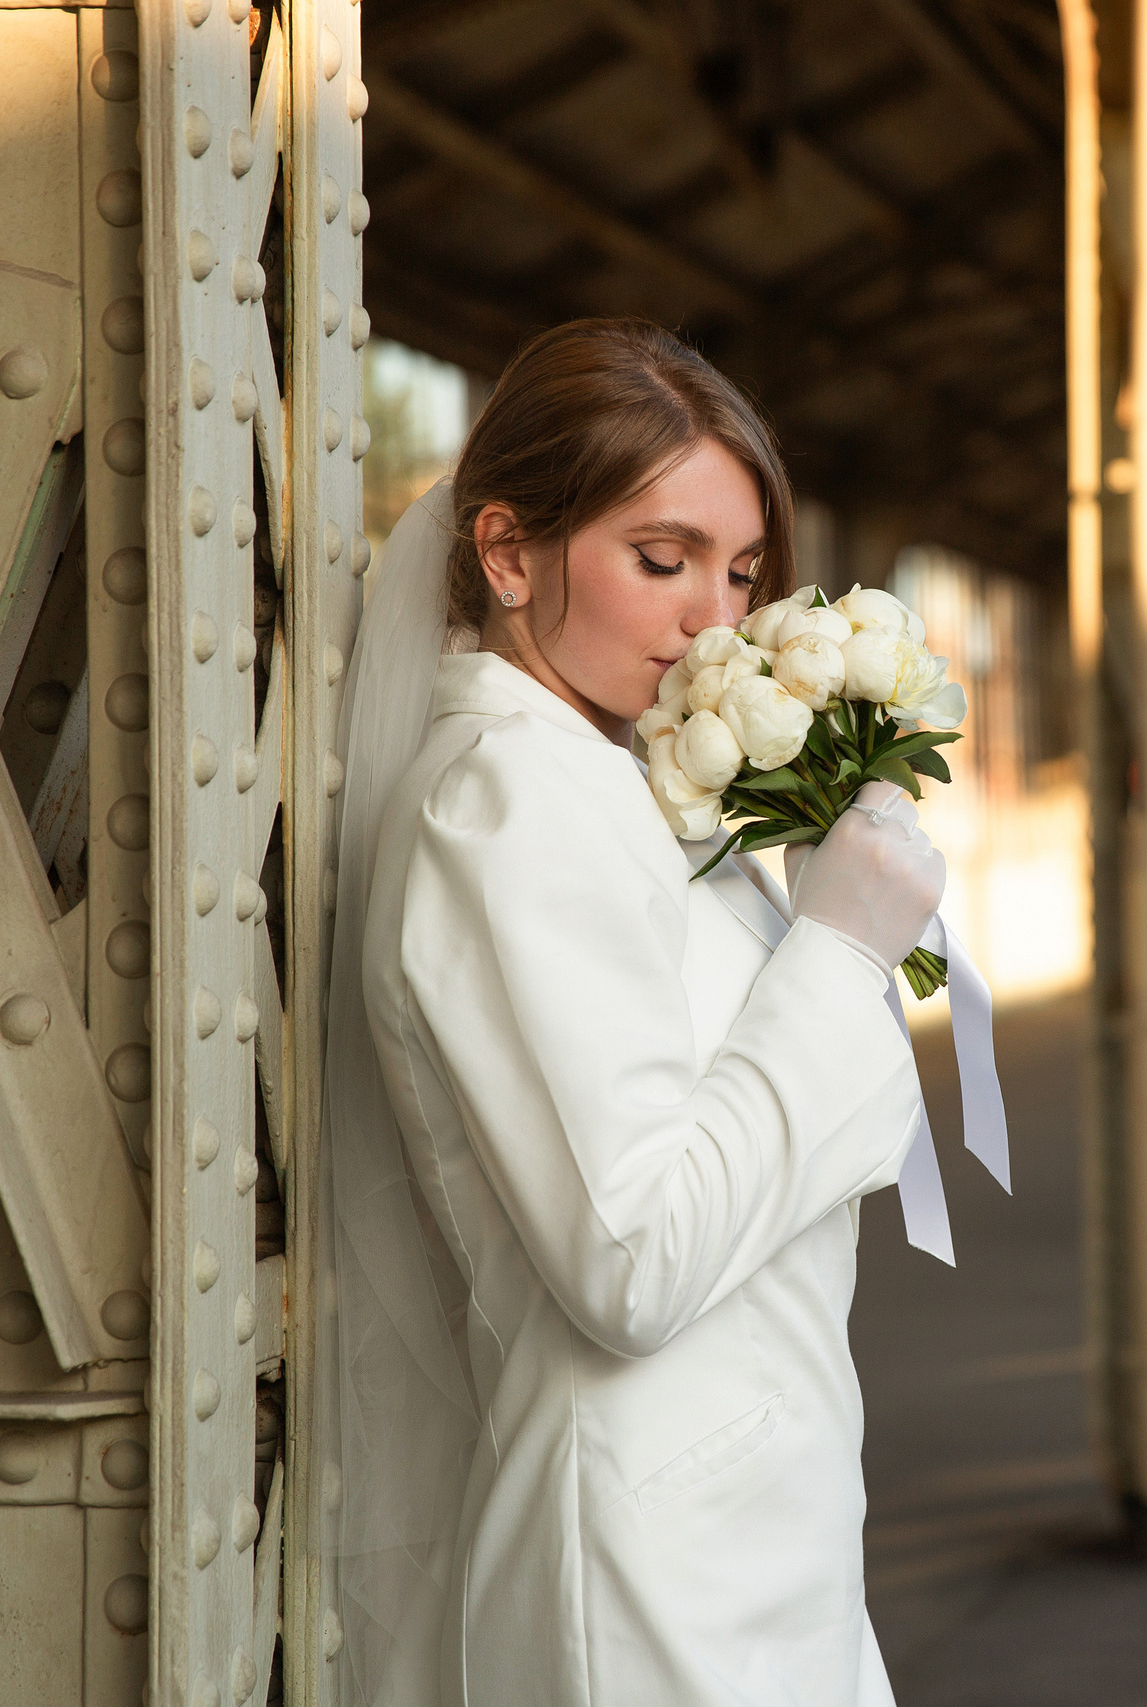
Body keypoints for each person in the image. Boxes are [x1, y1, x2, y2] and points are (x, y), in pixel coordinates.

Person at [319, 319, 945, 1705]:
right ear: (505, 552)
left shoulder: (613, 782)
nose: (711, 621)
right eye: (660, 562)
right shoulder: (504, 801)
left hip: (758, 1513)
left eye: (737, 572)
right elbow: (634, 1254)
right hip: (648, 1557)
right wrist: (838, 954)